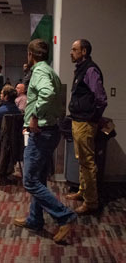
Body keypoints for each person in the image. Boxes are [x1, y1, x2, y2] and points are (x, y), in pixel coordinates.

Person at [14, 39, 76, 244]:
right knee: (38, 179)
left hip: (41, 132)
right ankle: (35, 219)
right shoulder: (49, 70)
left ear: (30, 54)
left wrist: (34, 116)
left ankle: (64, 216)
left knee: (30, 180)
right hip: (51, 130)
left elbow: (47, 94)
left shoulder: (39, 72)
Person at [66, 39, 107, 215]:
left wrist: (93, 118)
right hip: (78, 121)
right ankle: (83, 192)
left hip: (85, 123)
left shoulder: (90, 70)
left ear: (84, 51)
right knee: (82, 160)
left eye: (74, 49)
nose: (71, 52)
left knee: (88, 163)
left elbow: (101, 99)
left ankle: (91, 202)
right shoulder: (82, 69)